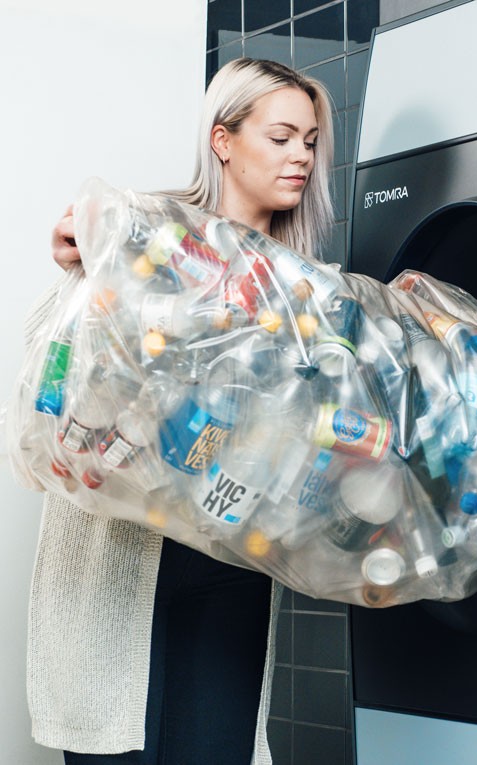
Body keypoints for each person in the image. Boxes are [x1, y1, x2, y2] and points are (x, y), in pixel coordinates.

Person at [28, 57, 334, 764]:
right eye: (282, 136)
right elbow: (62, 358)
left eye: (311, 141)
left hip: (227, 559)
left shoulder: (304, 285)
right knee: (113, 746)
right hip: (119, 554)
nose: (301, 158)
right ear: (223, 140)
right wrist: (78, 252)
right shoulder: (153, 232)